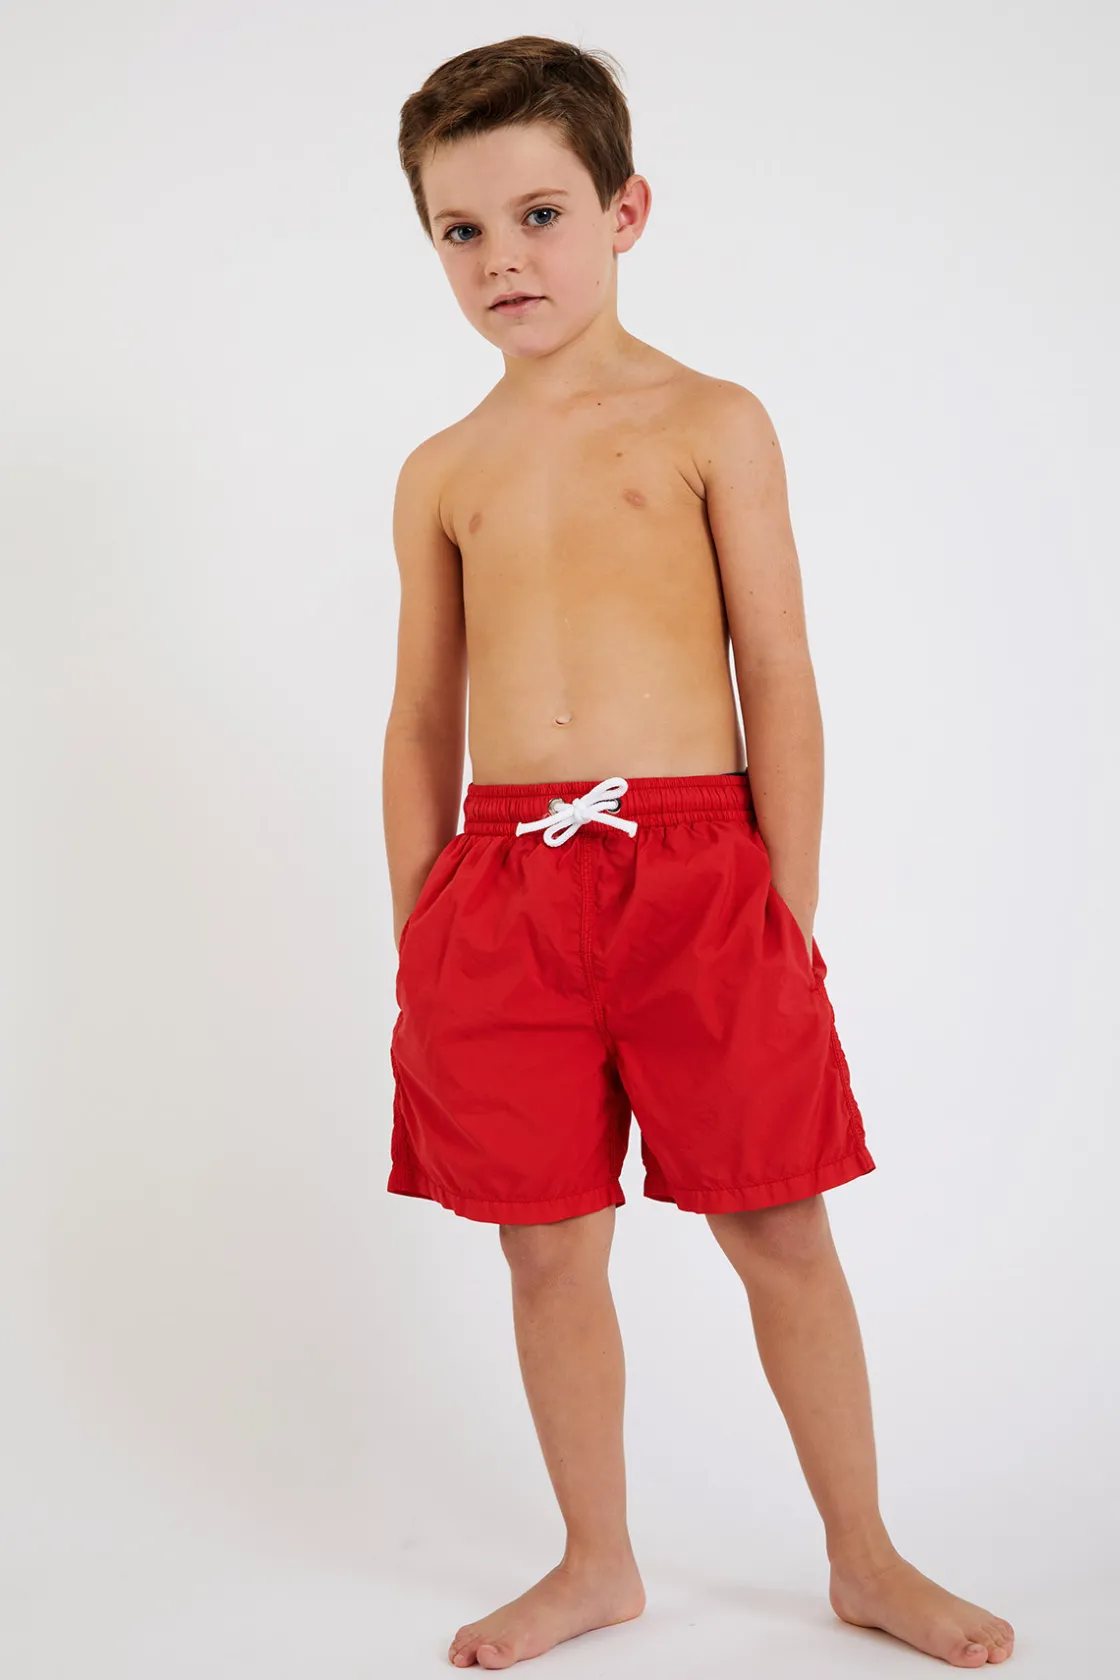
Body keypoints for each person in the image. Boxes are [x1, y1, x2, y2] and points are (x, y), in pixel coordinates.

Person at [382, 34, 1015, 1673]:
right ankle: (595, 1563)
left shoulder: (711, 422)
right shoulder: (442, 470)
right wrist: (422, 926)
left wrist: (780, 907)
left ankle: (866, 1557)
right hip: (502, 884)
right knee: (544, 1242)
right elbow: (422, 712)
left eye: (539, 214)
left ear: (626, 210)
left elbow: (779, 675)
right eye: (462, 230)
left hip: (696, 866)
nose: (503, 258)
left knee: (779, 1221)